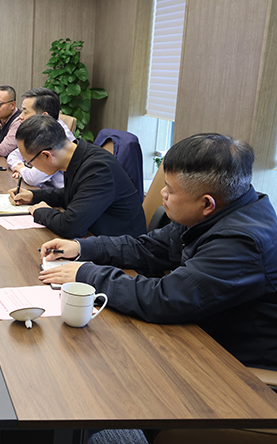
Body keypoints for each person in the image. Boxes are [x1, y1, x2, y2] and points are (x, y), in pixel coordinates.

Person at [38, 133, 277, 372]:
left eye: (170, 190)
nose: (162, 193)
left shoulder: (241, 243)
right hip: (198, 328)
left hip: (233, 359)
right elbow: (147, 248)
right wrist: (83, 247)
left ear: (206, 203)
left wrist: (87, 275)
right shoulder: (217, 209)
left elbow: (165, 299)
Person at [11, 115, 146, 238]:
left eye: (29, 162)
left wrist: (41, 212)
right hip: (95, 239)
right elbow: (73, 194)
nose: (30, 165)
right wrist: (34, 196)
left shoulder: (98, 169)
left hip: (121, 250)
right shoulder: (78, 155)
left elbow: (71, 227)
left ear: (46, 155)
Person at [7, 87, 76, 189]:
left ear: (44, 116)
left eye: (25, 112)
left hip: (58, 195)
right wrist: (21, 167)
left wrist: (21, 169)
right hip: (45, 191)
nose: (20, 117)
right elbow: (13, 155)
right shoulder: (39, 132)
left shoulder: (54, 136)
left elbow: (34, 178)